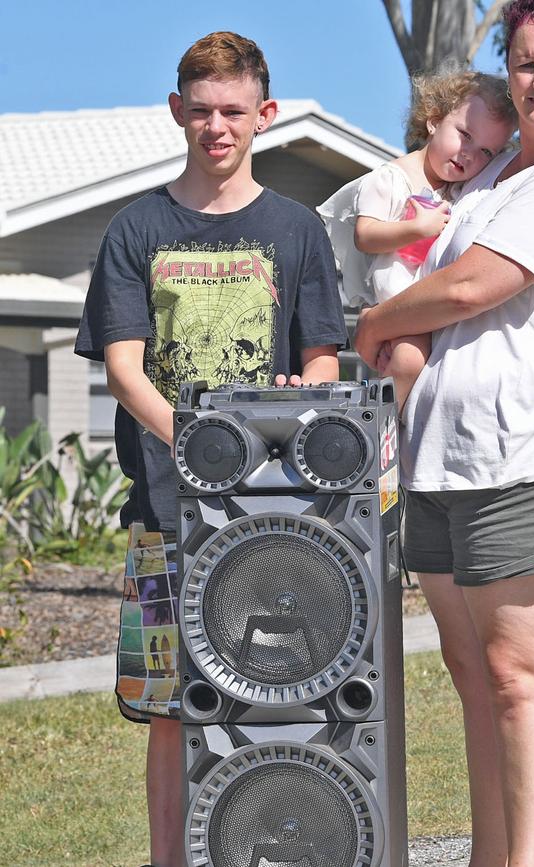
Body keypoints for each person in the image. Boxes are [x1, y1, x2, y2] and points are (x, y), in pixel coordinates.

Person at [354, 1, 534, 865]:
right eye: (525, 61)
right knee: (475, 682)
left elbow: (472, 287)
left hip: (532, 456)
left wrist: (375, 324)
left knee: (517, 676)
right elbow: (428, 264)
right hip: (442, 456)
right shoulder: (497, 169)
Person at [75, 31, 346, 867]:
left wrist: (282, 438)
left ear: (264, 114)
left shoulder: (298, 230)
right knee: (170, 708)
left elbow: (321, 359)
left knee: (285, 695)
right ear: (176, 113)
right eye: (201, 111)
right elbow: (126, 370)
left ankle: (280, 846)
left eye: (234, 111)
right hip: (166, 511)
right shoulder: (135, 229)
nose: (216, 128)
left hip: (279, 515)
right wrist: (200, 452)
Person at [318, 70, 517, 408]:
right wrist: (416, 228)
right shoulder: (390, 179)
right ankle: (385, 427)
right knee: (408, 360)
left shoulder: (457, 192)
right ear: (434, 119)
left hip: (432, 306)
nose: (469, 154)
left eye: (486, 151)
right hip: (396, 302)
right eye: (464, 135)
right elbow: (365, 235)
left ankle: (403, 419)